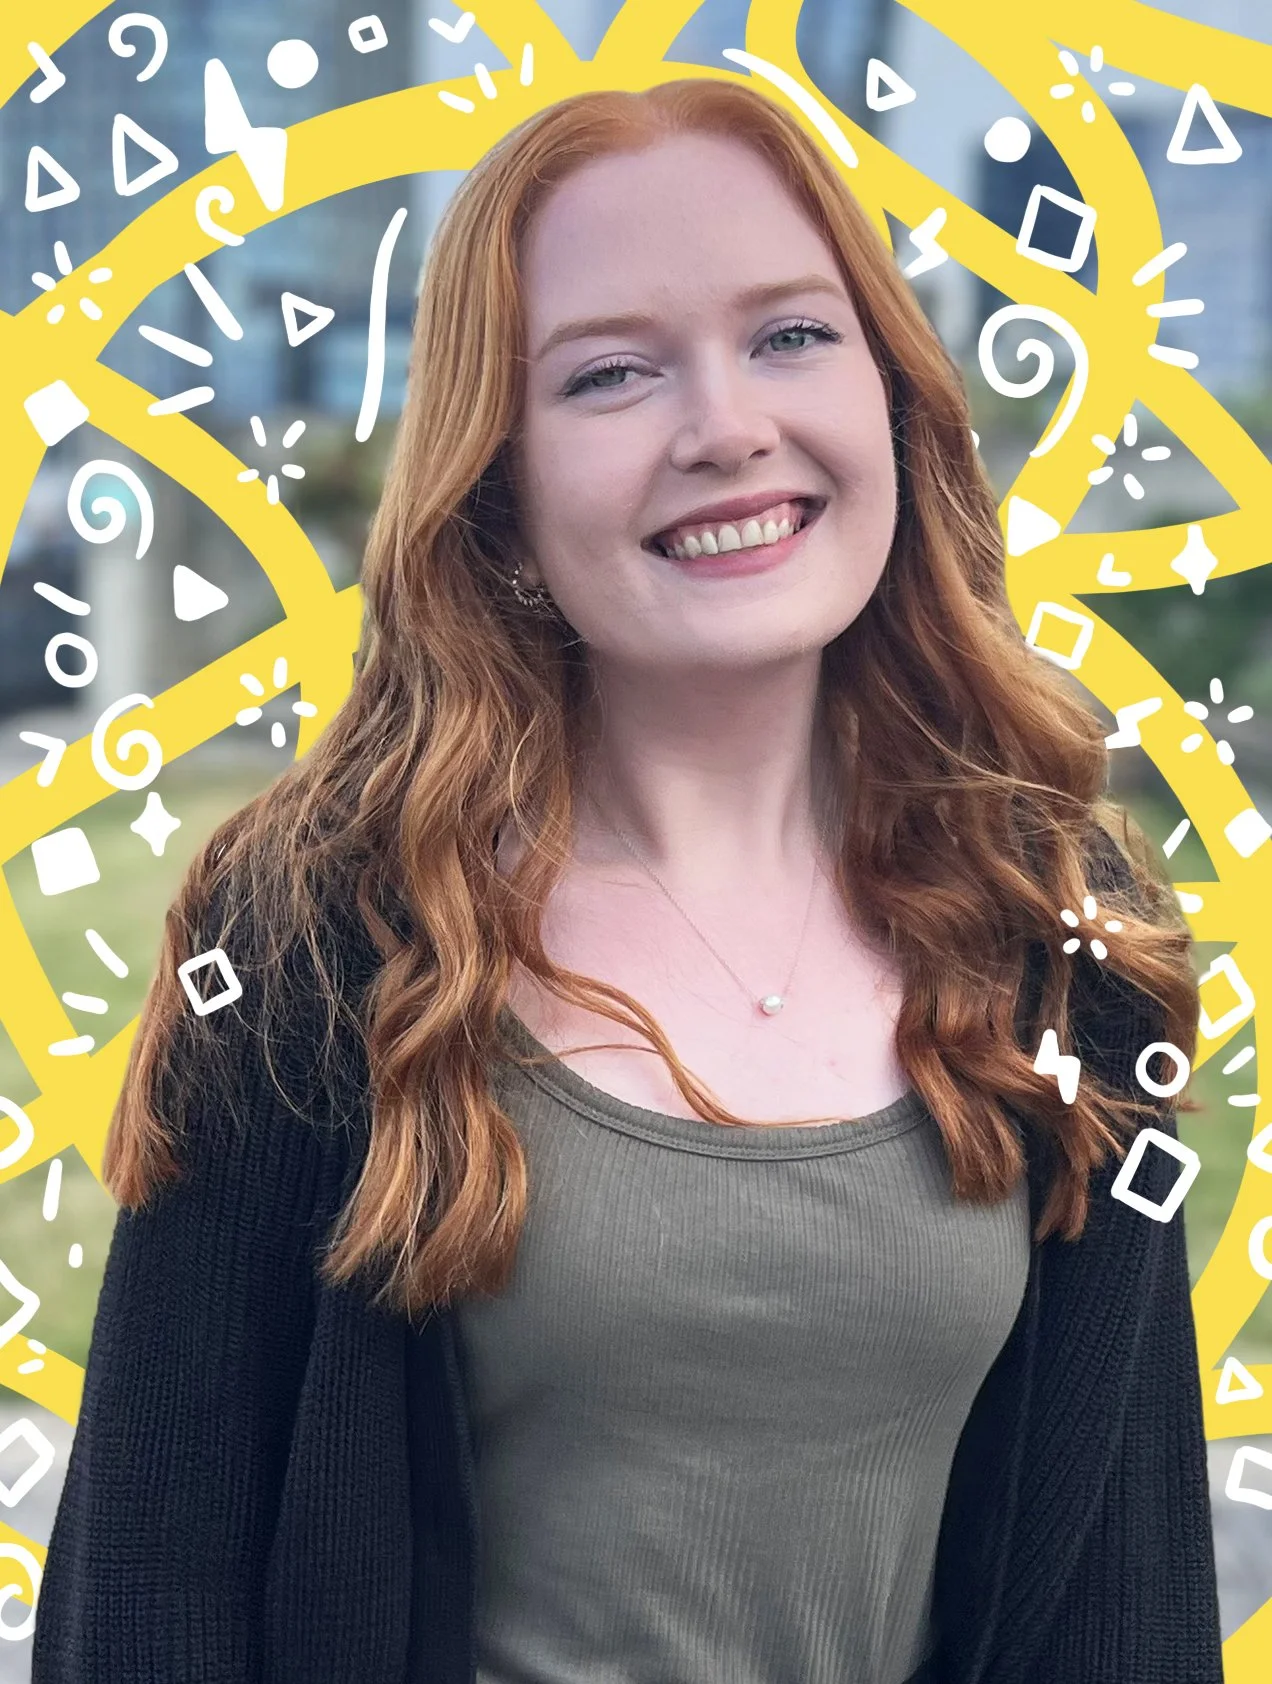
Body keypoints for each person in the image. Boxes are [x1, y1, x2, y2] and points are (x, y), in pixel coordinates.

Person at [31, 77, 1222, 1684]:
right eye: (609, 373)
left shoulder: (1064, 935)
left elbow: (1129, 1602)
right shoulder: (316, 938)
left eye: (792, 335)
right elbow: (145, 1597)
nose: (724, 427)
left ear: (894, 397)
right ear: (499, 482)